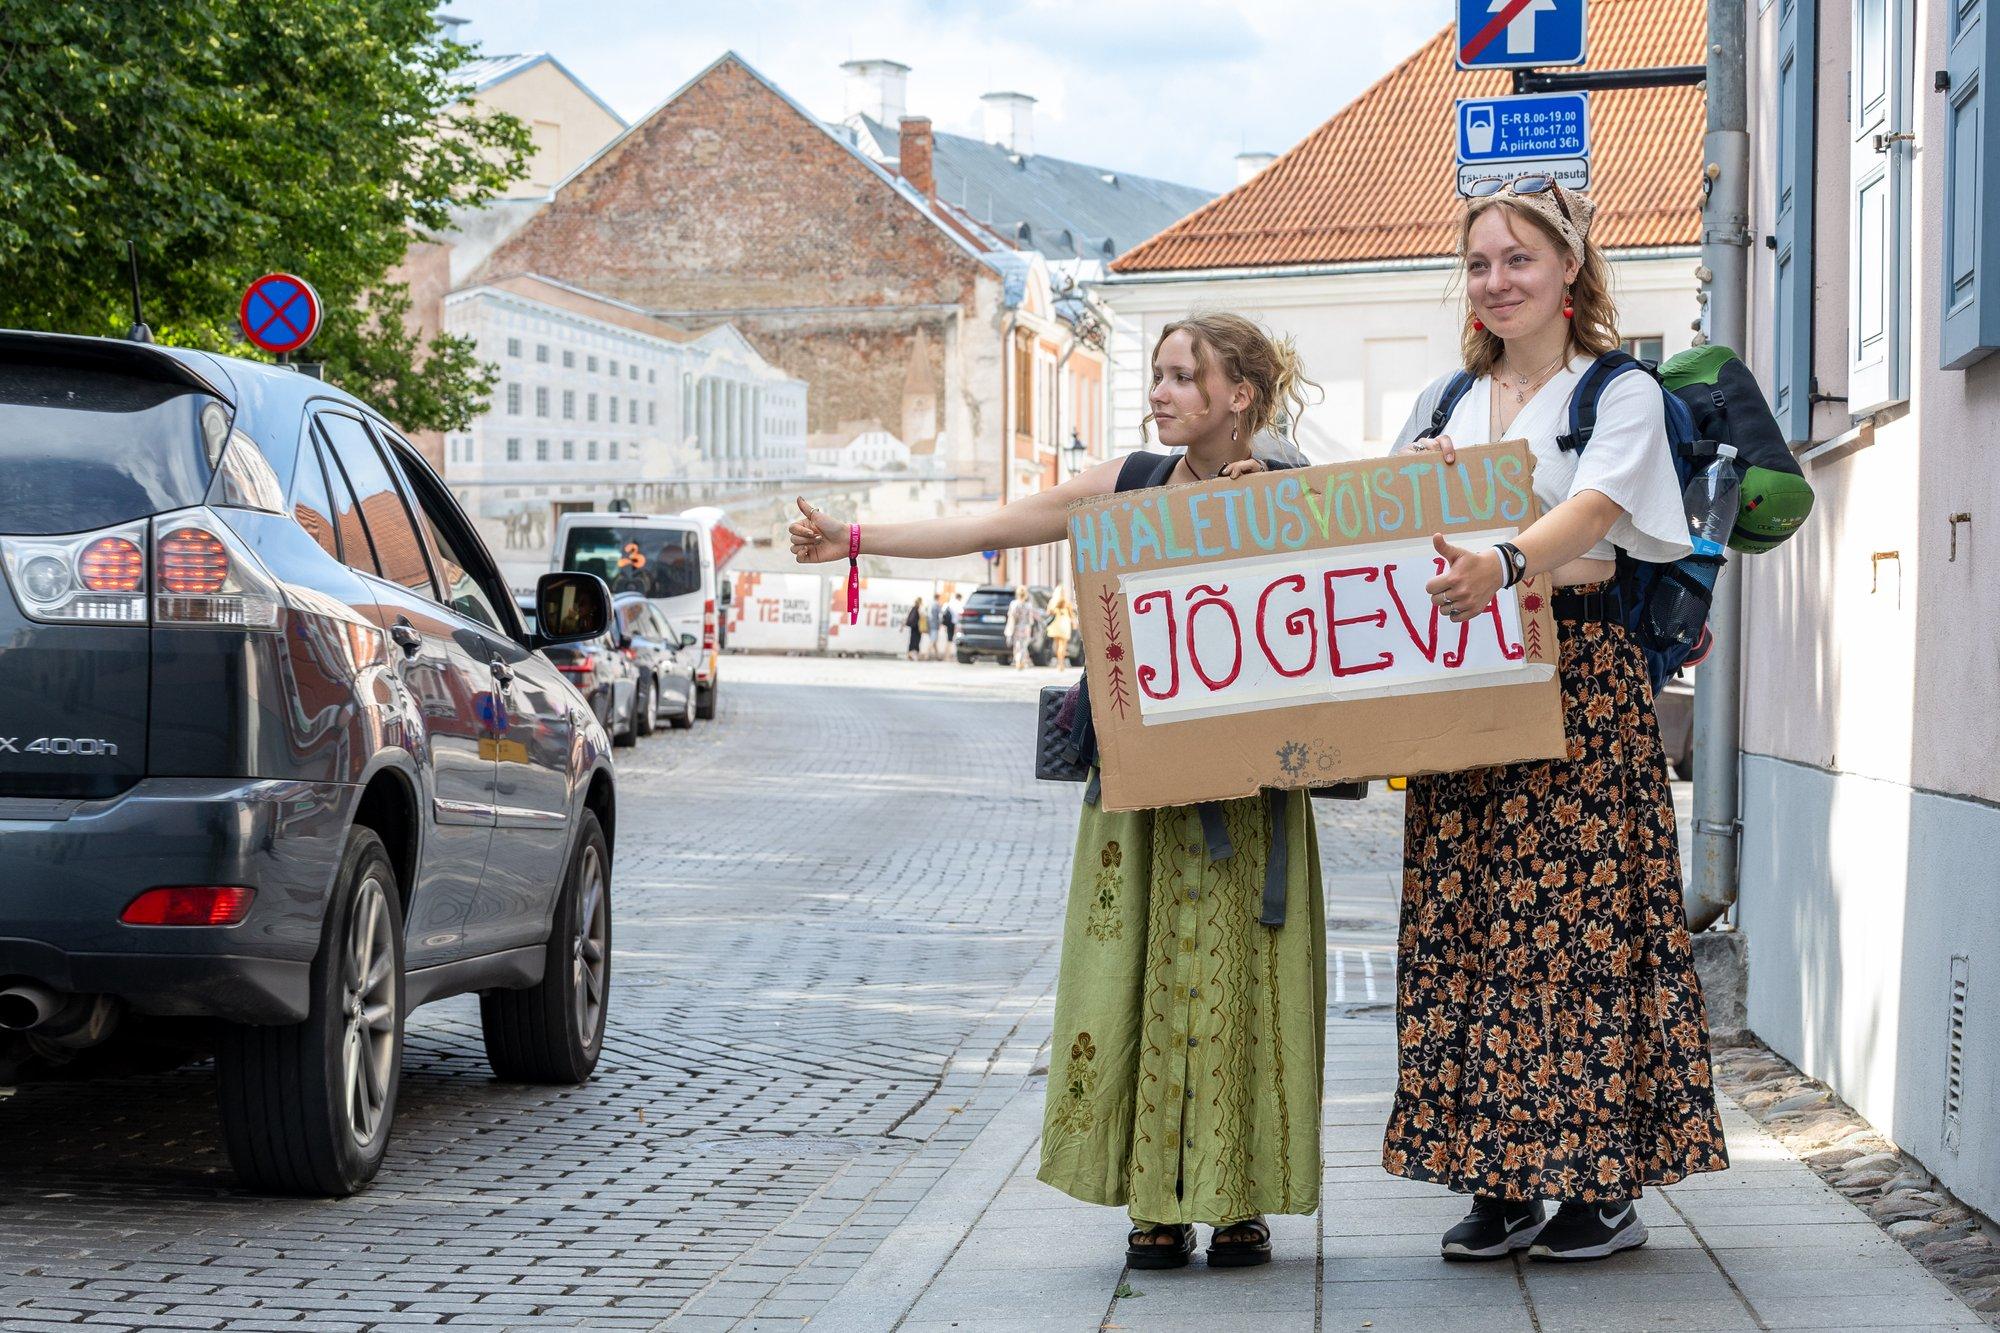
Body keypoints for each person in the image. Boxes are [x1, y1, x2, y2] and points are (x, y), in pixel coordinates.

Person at [790, 312, 1323, 1271]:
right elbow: (999, 522)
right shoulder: (1132, 482)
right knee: (1143, 976)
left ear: (1237, 395)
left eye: (1178, 376)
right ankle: (1155, 1200)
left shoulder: (1296, 485)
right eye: (1155, 375)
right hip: (1143, 778)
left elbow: (1391, 550)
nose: (1156, 393)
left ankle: (1239, 1195)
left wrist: (1285, 507)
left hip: (1250, 790)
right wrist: (856, 537)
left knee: (1245, 977)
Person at [1382, 179, 1729, 1262]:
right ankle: (1496, 1177)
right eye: (1479, 263)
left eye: (1517, 260)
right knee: (1465, 927)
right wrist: (1415, 494)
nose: (1494, 282)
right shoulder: (1442, 402)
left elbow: (1593, 519)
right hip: (1463, 683)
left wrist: (1500, 555)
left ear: (1567, 269)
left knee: (1571, 936)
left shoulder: (1613, 392)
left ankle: (1595, 1188)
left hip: (1576, 678)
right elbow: (1380, 532)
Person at [1003, 585, 1037, 670]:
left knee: (1017, 645)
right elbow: (1030, 620)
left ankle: (1018, 661)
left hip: (1016, 627)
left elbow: (1011, 616)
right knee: (1024, 646)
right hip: (1025, 628)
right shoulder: (1028, 605)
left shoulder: (1014, 604)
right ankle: (1022, 662)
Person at [1045, 585, 1076, 668]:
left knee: (1057, 644)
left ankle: (1058, 661)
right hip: (1065, 624)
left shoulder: (1052, 602)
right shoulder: (1066, 602)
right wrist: (1074, 624)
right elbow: (1071, 615)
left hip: (1056, 625)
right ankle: (1061, 663)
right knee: (1063, 645)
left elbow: (1048, 613)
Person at [929, 591, 949, 659]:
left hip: (931, 624)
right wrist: (941, 623)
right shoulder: (937, 605)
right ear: (938, 598)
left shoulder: (931, 604)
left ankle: (937, 656)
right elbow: (940, 615)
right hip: (935, 625)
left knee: (934, 641)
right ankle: (926, 655)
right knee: (933, 640)